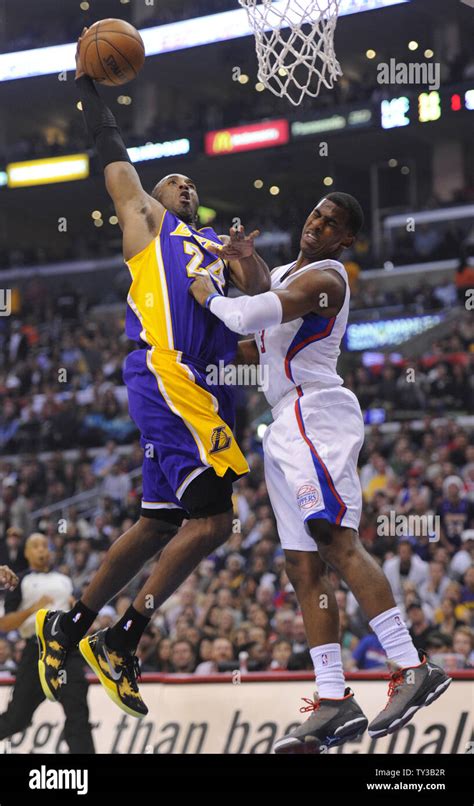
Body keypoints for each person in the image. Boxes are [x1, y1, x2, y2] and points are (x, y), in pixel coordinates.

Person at [36, 30, 270, 719]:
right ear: (153, 193)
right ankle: (124, 637)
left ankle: (71, 624)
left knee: (156, 524)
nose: (186, 185)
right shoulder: (146, 224)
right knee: (217, 521)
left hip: (209, 391)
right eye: (175, 180)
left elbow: (253, 328)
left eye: (193, 183)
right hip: (170, 379)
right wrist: (87, 89)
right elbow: (113, 158)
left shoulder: (219, 250)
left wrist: (249, 268)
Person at [189, 192, 452, 753]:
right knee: (301, 568)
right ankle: (333, 699)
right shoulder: (289, 272)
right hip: (282, 421)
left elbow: (254, 310)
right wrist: (243, 262)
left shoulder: (327, 278)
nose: (317, 224)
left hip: (316, 410)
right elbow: (262, 296)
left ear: (345, 240)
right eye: (315, 214)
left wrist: (210, 295)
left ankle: (411, 666)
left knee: (335, 540)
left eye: (331, 223)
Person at [0, 534, 94, 753]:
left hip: (66, 651)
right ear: (27, 553)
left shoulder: (65, 580)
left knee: (77, 711)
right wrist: (34, 608)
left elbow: (80, 616)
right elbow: (5, 624)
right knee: (17, 719)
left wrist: (76, 609)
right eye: (36, 546)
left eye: (45, 545)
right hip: (36, 651)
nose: (42, 550)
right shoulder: (20, 580)